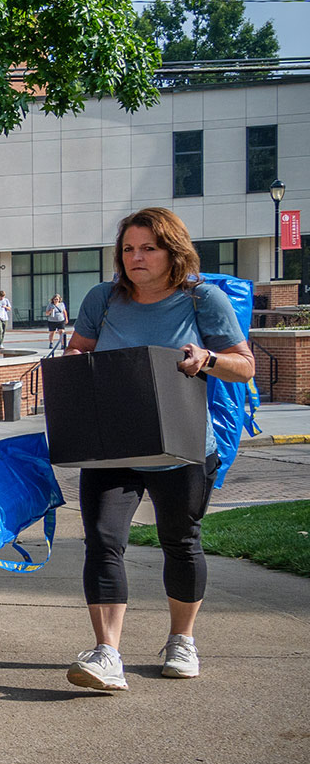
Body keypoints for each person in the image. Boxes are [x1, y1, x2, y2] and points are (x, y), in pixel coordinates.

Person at [61, 208, 254, 692]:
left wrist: (207, 359)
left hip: (182, 444)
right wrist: (76, 362)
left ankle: (181, 640)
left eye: (148, 248)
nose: (136, 257)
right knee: (103, 540)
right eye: (128, 249)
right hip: (112, 443)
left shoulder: (202, 300)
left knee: (181, 540)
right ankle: (107, 654)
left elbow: (245, 366)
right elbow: (79, 351)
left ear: (173, 251)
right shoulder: (102, 298)